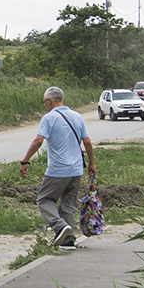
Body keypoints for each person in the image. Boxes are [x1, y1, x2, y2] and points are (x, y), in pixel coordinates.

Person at [19, 86, 96, 248]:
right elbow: (87, 142)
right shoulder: (77, 116)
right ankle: (68, 241)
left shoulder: (49, 118)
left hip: (58, 170)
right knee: (68, 204)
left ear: (49, 101)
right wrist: (92, 164)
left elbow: (39, 140)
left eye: (44, 102)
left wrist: (25, 161)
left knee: (44, 200)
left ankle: (60, 226)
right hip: (76, 170)